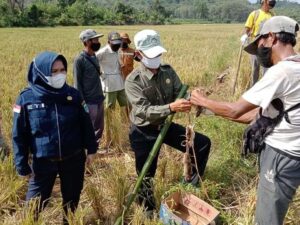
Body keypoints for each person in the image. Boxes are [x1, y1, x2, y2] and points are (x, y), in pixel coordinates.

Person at [191, 16, 300, 225]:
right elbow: (258, 115)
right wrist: (209, 112)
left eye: (259, 42)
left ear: (271, 37)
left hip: (280, 157)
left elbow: (234, 110)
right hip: (295, 155)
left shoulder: (281, 72)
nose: (259, 49)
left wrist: (202, 100)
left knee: (267, 220)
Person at [125, 29, 211, 215]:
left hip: (165, 125)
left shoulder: (168, 72)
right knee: (146, 174)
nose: (156, 57)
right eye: (151, 54)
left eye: (158, 53)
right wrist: (171, 107)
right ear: (139, 54)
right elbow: (143, 111)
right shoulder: (133, 81)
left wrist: (195, 99)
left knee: (202, 144)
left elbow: (179, 92)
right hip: (143, 130)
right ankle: (148, 211)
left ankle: (189, 184)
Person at [12, 51, 98, 224]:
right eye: (54, 71)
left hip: (73, 158)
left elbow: (86, 124)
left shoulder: (73, 95)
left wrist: (92, 149)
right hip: (43, 162)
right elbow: (18, 134)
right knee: (34, 206)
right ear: (41, 72)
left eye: (62, 70)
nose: (59, 75)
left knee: (72, 199)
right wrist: (21, 164)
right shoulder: (26, 99)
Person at [73, 29, 105, 146]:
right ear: (87, 42)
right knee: (87, 128)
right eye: (95, 40)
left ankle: (94, 148)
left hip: (99, 98)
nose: (98, 42)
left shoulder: (94, 56)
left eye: (98, 39)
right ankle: (86, 150)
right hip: (89, 101)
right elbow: (77, 84)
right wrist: (82, 103)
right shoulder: (79, 60)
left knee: (99, 128)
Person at [241, 0, 276, 86]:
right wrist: (245, 36)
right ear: (264, 1)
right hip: (255, 45)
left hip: (267, 47)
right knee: (255, 69)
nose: (273, 2)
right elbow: (247, 29)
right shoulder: (255, 14)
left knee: (267, 70)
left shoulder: (272, 15)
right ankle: (253, 90)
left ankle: (265, 90)